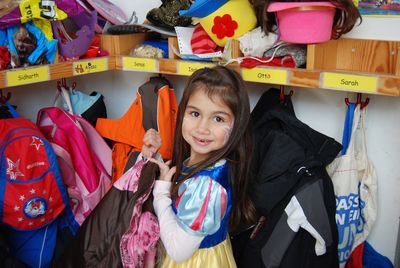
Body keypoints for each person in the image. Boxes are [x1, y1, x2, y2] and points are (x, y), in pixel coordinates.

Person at [141, 66, 256, 267]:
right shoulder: (206, 163)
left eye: (218, 118)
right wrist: (154, 155)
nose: (202, 128)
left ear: (237, 125)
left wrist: (161, 195)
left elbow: (178, 251)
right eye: (195, 113)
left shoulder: (206, 187)